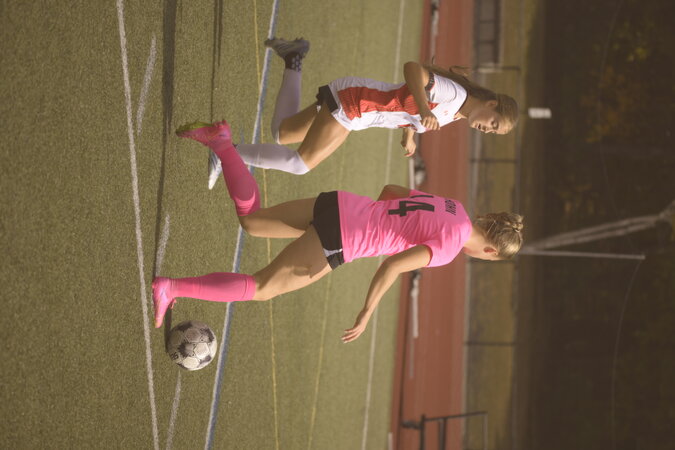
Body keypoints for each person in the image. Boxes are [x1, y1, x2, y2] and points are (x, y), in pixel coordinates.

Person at [158, 121, 524, 343]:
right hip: (345, 237)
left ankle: (222, 142)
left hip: (342, 205)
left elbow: (392, 191)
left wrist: (376, 220)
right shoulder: (449, 248)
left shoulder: (455, 209)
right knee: (263, 287)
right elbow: (393, 266)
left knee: (253, 221)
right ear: (491, 251)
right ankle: (170, 287)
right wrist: (366, 312)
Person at [206, 37, 519, 187]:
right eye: (494, 123)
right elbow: (413, 70)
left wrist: (410, 133)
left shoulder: (458, 112)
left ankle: (293, 58)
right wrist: (424, 110)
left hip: (356, 104)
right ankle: (224, 152)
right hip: (354, 103)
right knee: (300, 164)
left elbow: (408, 103)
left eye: (494, 132)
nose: (488, 129)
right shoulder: (456, 95)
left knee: (281, 132)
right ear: (491, 105)